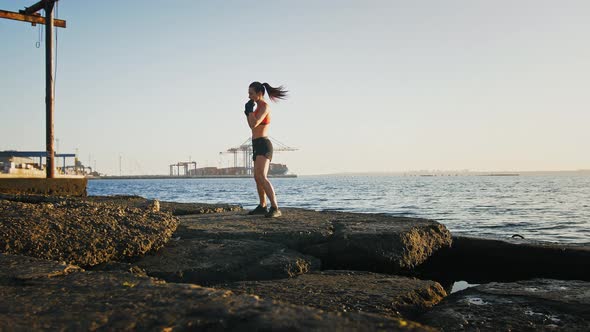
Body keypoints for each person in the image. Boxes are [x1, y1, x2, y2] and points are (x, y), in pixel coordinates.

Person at [243, 81, 288, 218]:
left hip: (264, 144)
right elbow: (251, 125)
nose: (249, 96)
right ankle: (262, 206)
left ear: (259, 93)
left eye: (251, 93)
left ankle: (275, 208)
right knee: (257, 177)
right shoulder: (256, 107)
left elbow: (255, 123)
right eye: (248, 93)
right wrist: (248, 112)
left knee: (262, 176)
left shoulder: (264, 107)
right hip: (256, 144)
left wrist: (250, 111)